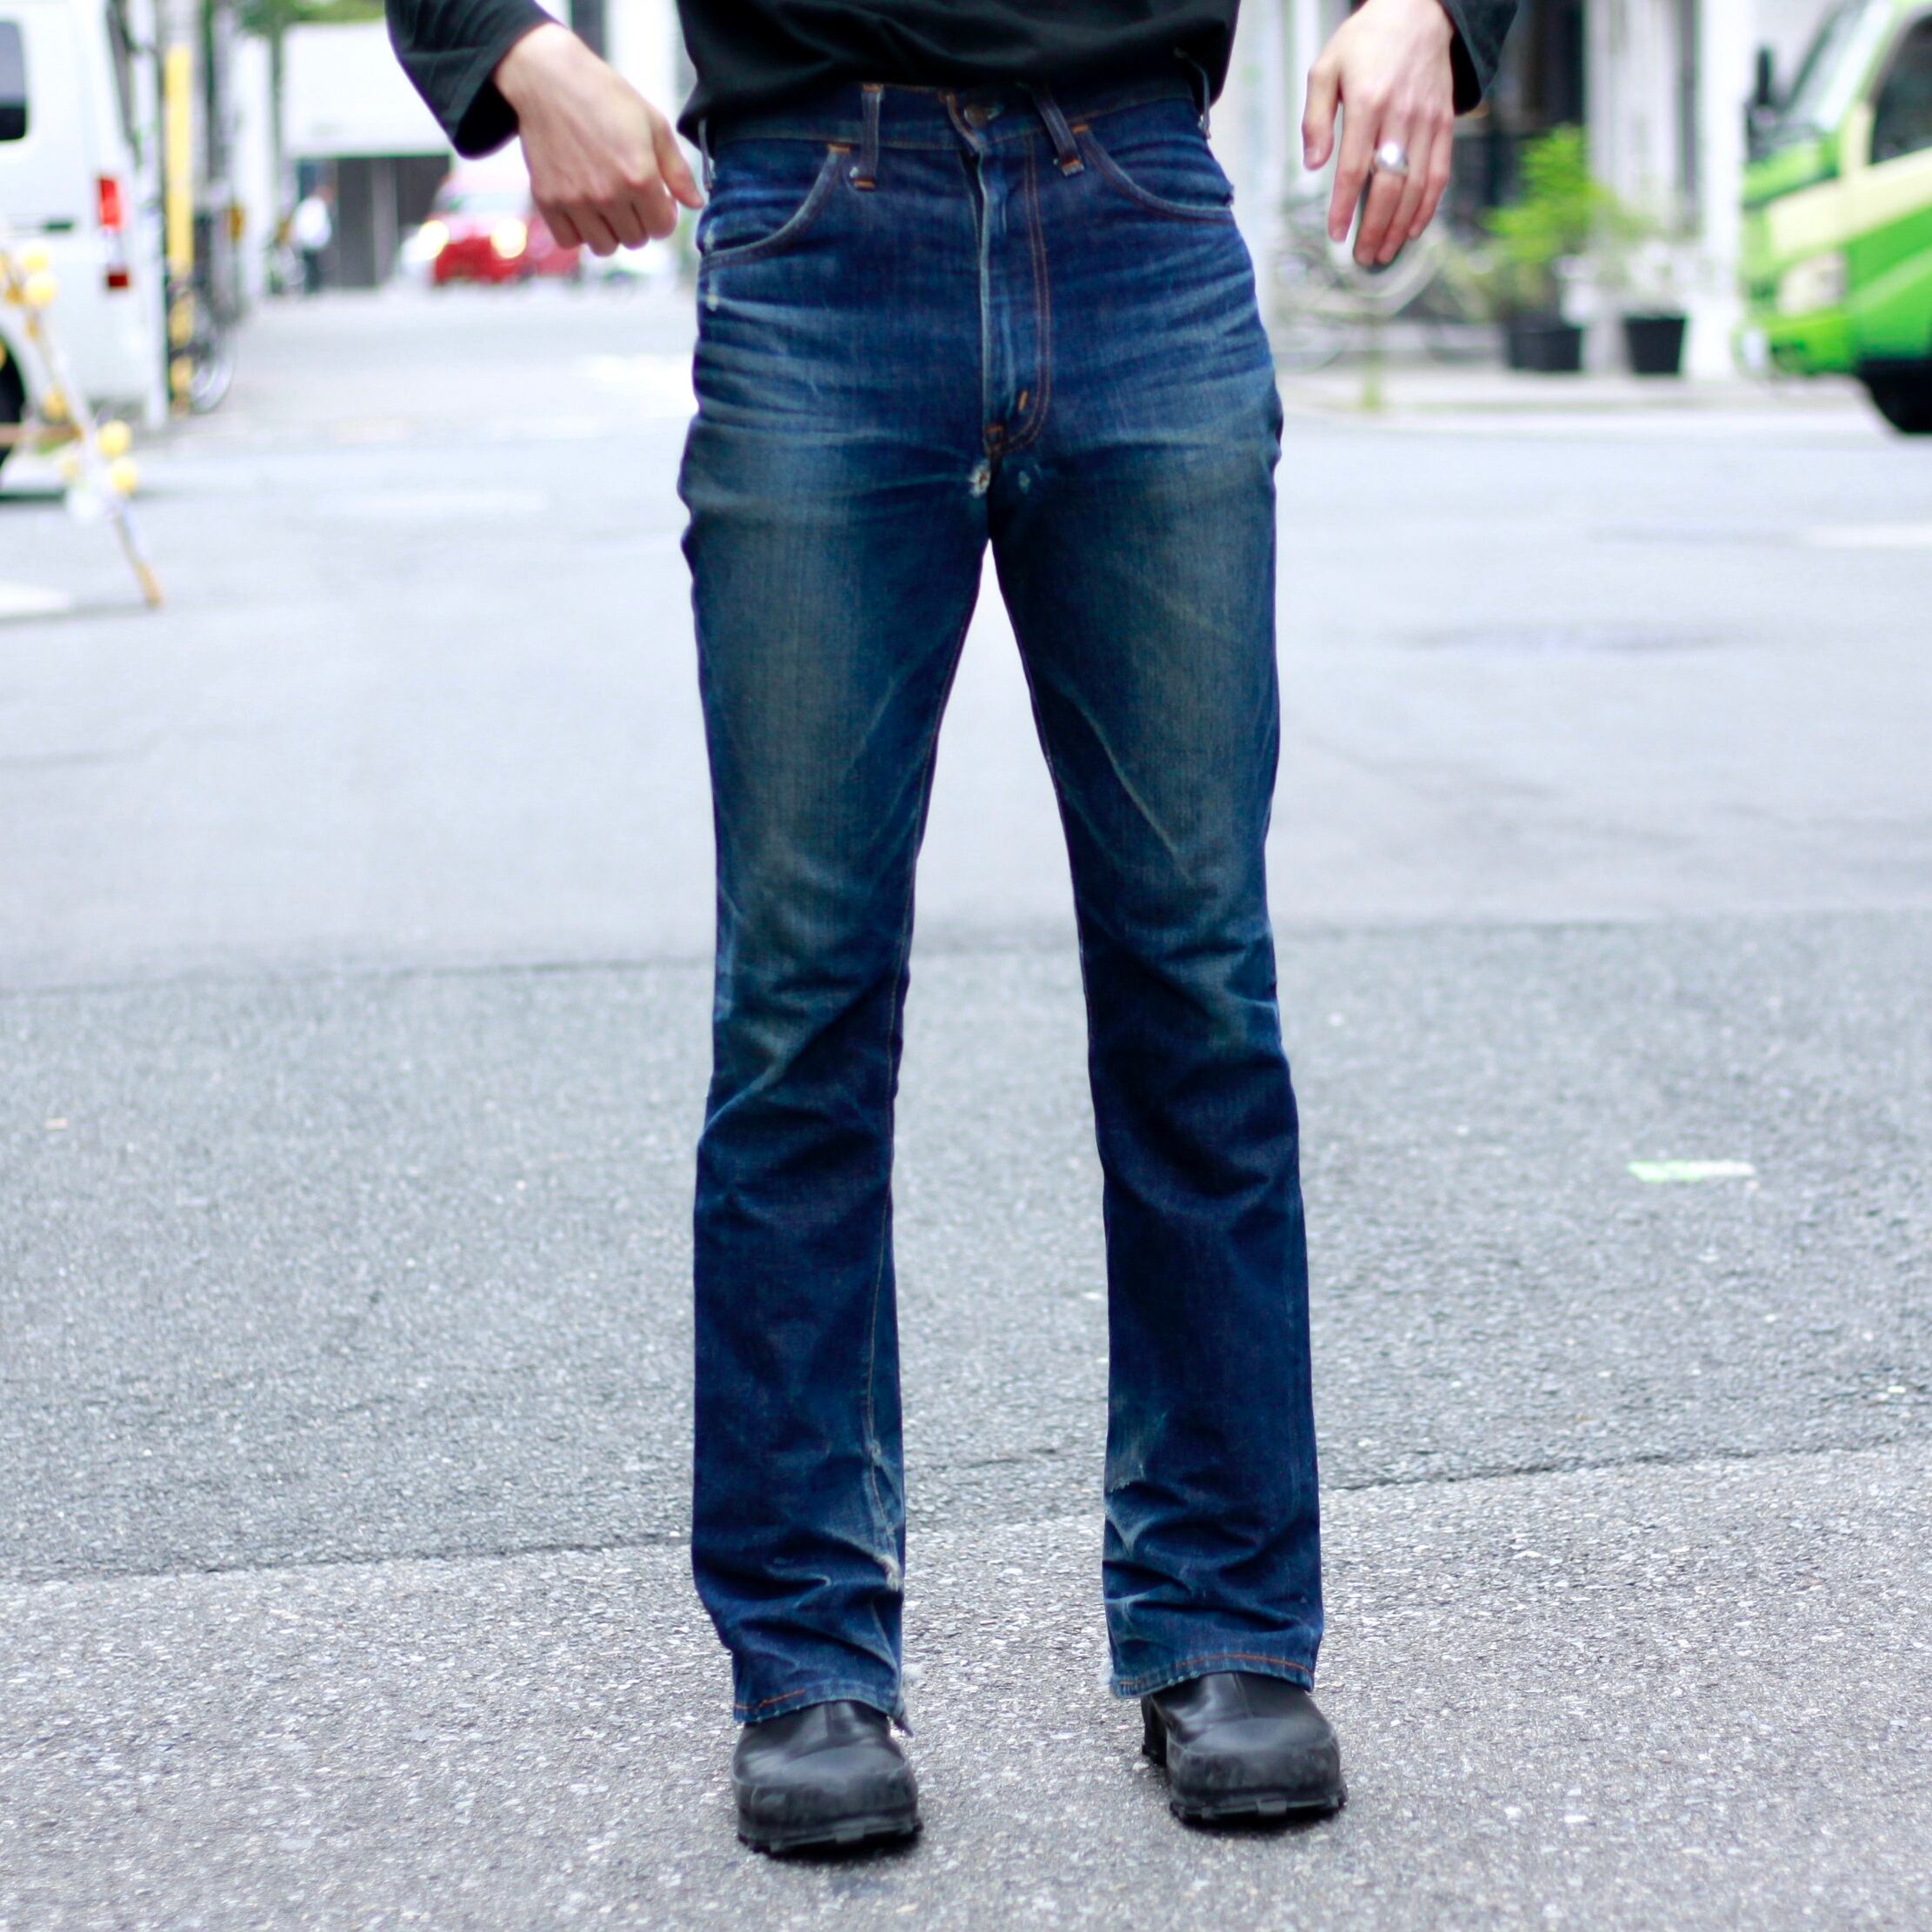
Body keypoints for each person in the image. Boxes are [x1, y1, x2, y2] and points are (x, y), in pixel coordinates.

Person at [388, 0, 1516, 1855]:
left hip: (1137, 204)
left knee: (1196, 980)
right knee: (803, 1001)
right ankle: (808, 1657)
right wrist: (510, 48)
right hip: (817, 221)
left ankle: (1227, 1624)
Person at [291, 184, 334, 296]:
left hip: (307, 241)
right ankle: (314, 287)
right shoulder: (317, 207)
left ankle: (311, 288)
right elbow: (321, 225)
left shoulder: (305, 206)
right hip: (314, 242)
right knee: (314, 266)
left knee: (310, 265)